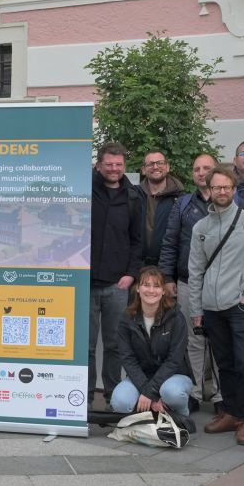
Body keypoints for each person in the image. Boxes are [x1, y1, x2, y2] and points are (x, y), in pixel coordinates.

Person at [189, 167, 244, 445]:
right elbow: (196, 272)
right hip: (211, 309)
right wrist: (196, 310)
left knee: (243, 363)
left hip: (240, 308)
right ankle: (230, 412)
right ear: (210, 190)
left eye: (227, 187)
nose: (222, 192)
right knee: (224, 364)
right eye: (217, 188)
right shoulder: (201, 228)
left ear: (234, 189)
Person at [158, 154, 223, 411]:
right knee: (194, 340)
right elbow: (170, 242)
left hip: (222, 284)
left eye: (206, 168)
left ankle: (219, 396)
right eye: (196, 168)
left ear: (216, 171)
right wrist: (167, 278)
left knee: (219, 340)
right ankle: (197, 391)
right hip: (187, 282)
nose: (201, 172)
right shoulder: (183, 203)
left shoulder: (231, 201)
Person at [89, 142, 143, 406]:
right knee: (85, 346)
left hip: (117, 284)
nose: (113, 169)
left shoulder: (134, 197)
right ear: (99, 165)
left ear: (124, 166)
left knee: (113, 344)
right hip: (85, 283)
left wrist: (131, 275)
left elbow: (137, 240)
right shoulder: (84, 190)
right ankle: (84, 395)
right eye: (108, 164)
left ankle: (112, 395)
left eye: (118, 165)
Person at [111, 266, 194, 418]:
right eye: (146, 285)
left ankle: (182, 418)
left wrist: (150, 393)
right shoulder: (127, 318)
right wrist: (149, 392)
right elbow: (128, 359)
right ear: (137, 288)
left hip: (174, 376)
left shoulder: (176, 317)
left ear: (163, 291)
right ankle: (152, 413)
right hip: (142, 377)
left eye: (156, 286)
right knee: (120, 402)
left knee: (172, 393)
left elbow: (174, 360)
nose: (151, 290)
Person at [138, 150, 184, 267]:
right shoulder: (133, 196)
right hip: (136, 266)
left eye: (160, 163)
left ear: (167, 167)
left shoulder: (180, 199)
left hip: (169, 267)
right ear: (143, 170)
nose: (155, 166)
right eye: (150, 164)